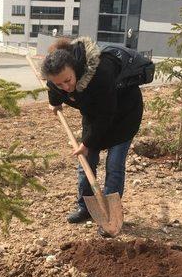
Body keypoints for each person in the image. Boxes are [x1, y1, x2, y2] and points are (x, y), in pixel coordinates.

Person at [41, 37, 143, 233]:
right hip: (94, 114)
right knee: (86, 161)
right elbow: (53, 91)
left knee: (113, 164)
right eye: (59, 84)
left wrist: (87, 143)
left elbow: (106, 115)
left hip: (124, 113)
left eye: (68, 80)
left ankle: (111, 215)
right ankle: (85, 207)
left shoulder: (100, 73)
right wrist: (55, 103)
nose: (66, 87)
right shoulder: (57, 81)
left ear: (74, 67)